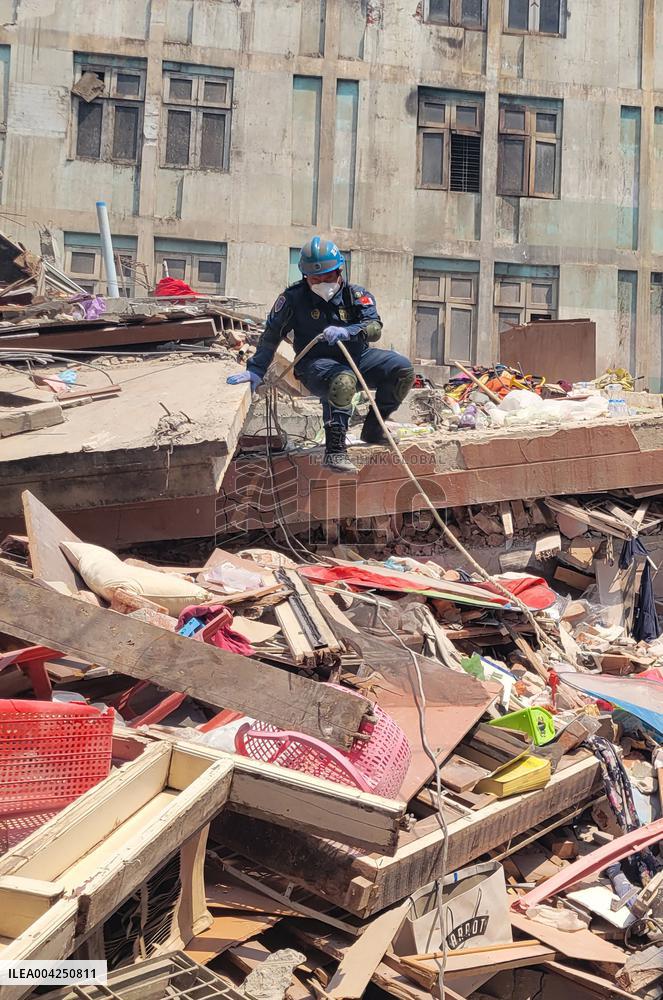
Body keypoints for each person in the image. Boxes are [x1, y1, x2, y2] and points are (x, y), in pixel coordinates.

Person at [227, 237, 414, 473]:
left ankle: (374, 429)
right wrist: (255, 370)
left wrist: (349, 331)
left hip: (357, 359)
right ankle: (335, 452)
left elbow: (374, 328)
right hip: (315, 365)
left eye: (327, 277)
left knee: (402, 368)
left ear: (339, 271)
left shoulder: (356, 295)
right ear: (306, 276)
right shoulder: (293, 299)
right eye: (315, 278)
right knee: (343, 380)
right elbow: (272, 334)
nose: (322, 282)